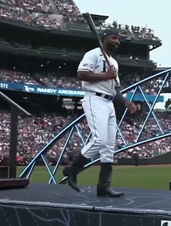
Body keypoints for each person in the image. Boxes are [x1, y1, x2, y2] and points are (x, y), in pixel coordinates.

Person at [63, 30, 137, 197]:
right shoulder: (94, 54)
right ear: (105, 39)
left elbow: (115, 88)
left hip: (109, 101)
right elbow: (81, 74)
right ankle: (73, 168)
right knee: (100, 139)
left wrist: (126, 102)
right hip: (94, 98)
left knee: (109, 146)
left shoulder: (114, 63)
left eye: (119, 39)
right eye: (114, 37)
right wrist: (106, 75)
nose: (117, 41)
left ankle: (104, 186)